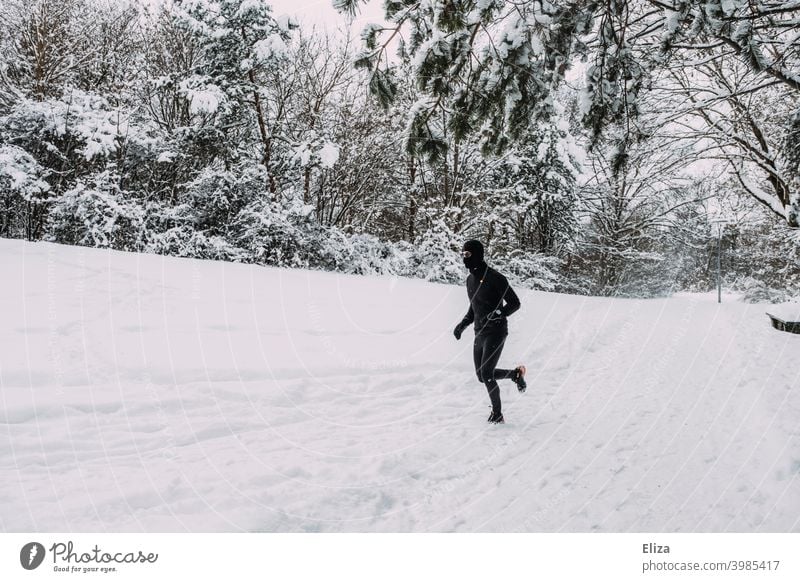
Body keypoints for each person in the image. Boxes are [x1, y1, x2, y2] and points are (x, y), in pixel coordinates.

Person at [453, 240, 526, 424]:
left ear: (477, 254)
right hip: (479, 332)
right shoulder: (470, 280)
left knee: (487, 373)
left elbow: (515, 303)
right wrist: (462, 324)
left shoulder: (495, 278)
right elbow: (474, 308)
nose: (464, 258)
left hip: (496, 331)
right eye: (462, 254)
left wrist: (498, 313)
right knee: (481, 375)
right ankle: (515, 375)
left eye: (467, 254)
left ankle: (497, 414)